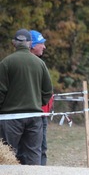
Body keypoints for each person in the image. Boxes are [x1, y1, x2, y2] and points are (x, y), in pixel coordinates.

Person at [0, 28, 53, 165]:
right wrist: (35, 102)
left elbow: (0, 92)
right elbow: (48, 91)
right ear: (30, 44)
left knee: (8, 158)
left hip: (10, 118)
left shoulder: (6, 63)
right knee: (33, 156)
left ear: (13, 43)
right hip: (34, 117)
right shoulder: (40, 63)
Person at [30, 30, 54, 165]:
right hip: (35, 113)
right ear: (32, 45)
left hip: (43, 113)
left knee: (42, 149)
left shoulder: (40, 64)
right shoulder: (29, 65)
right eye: (41, 43)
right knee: (34, 149)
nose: (44, 47)